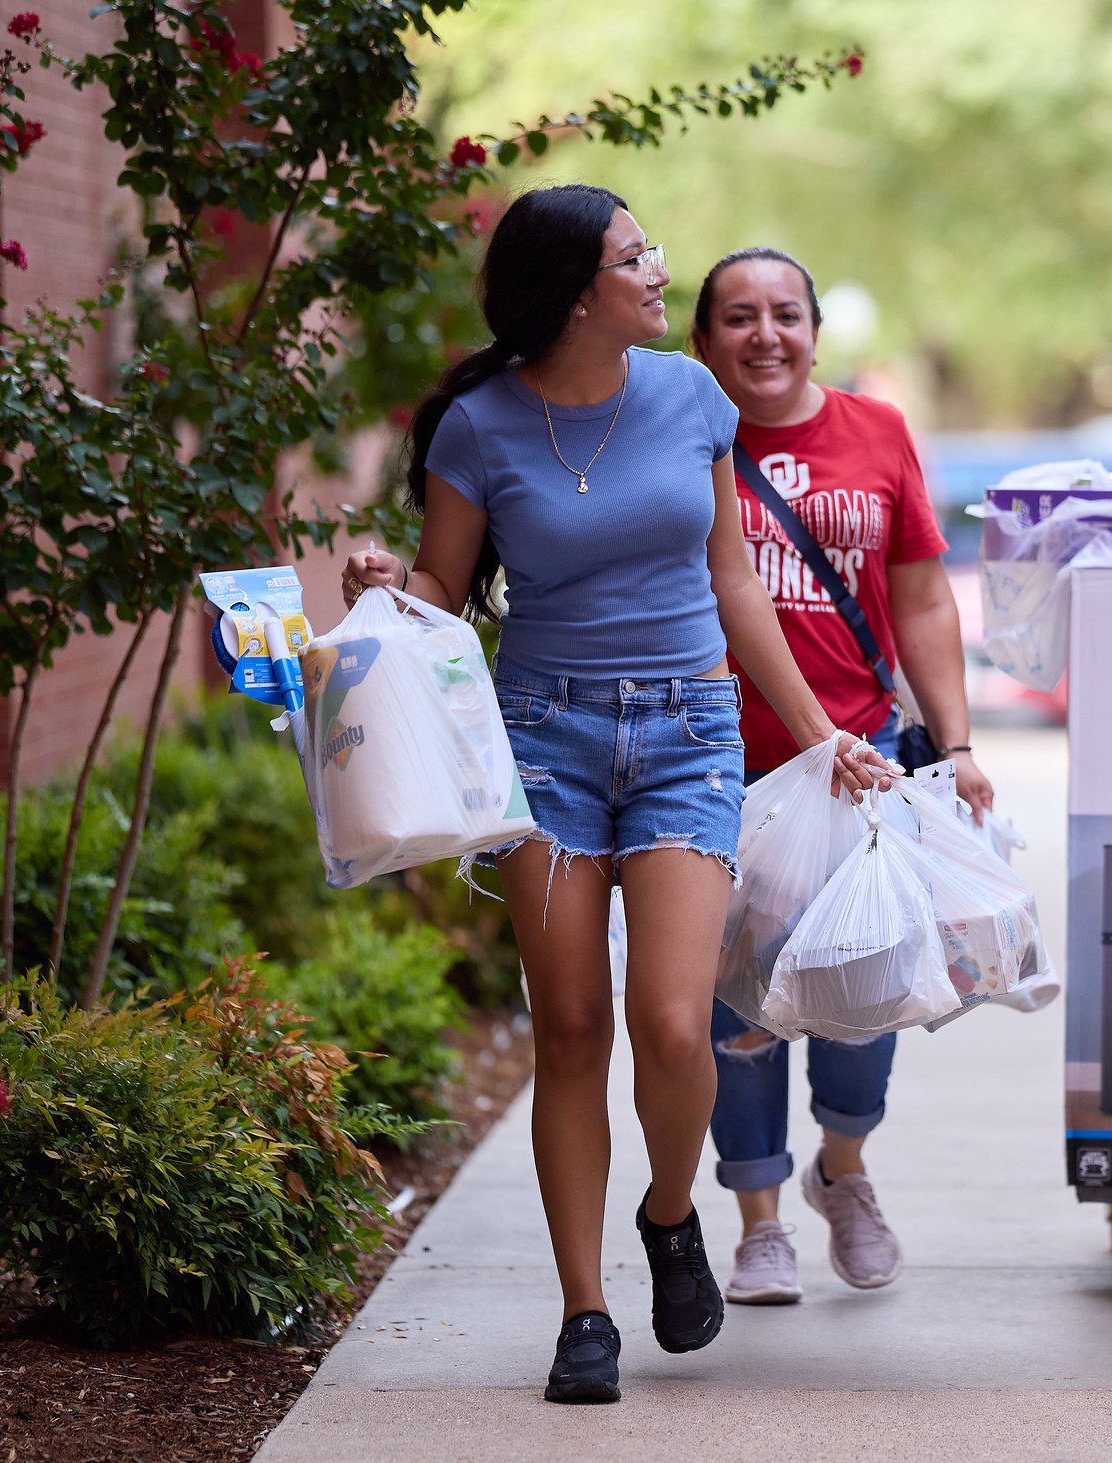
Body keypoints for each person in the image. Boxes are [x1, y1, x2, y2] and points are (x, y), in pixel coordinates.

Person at [339, 186, 887, 1405]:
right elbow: (443, 582)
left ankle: (670, 1209)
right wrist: (388, 577)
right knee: (572, 1026)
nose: (658, 272)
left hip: (689, 733)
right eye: (636, 257)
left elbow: (734, 578)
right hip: (542, 740)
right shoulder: (477, 425)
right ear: (577, 291)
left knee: (678, 1023)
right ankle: (584, 1311)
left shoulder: (692, 398)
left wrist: (816, 732)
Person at [688, 246, 992, 1304]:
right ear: (701, 337)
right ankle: (759, 1217)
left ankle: (842, 1168)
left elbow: (919, 597)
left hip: (858, 769)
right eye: (737, 316)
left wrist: (952, 743)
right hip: (717, 770)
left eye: (783, 313)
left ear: (814, 328)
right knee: (739, 1011)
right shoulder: (678, 437)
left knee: (863, 997)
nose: (763, 335)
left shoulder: (878, 431)